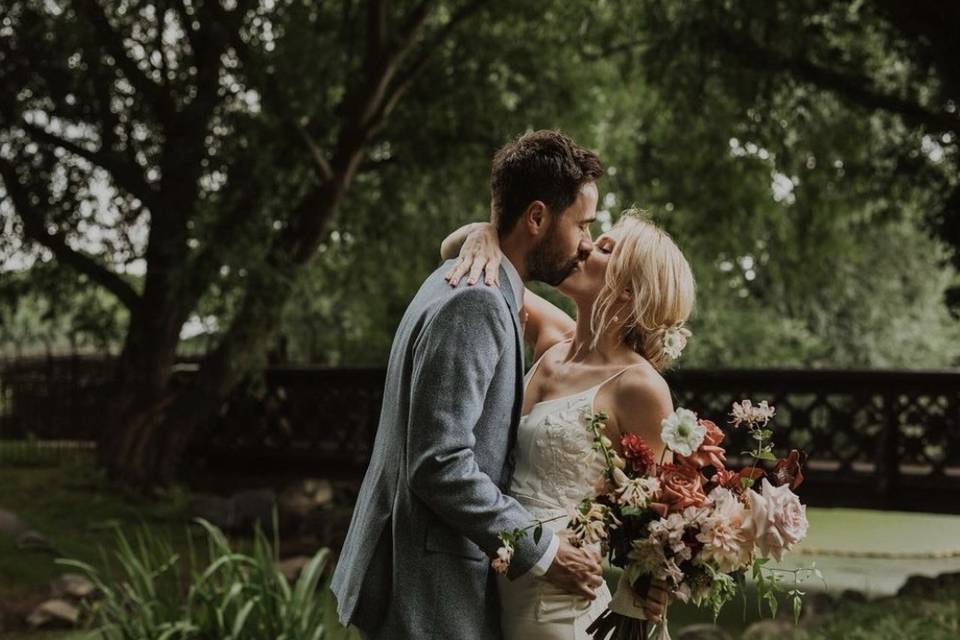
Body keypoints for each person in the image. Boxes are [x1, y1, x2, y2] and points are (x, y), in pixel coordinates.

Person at [331, 130, 606, 640]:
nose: (586, 243)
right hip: (427, 587)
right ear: (538, 217)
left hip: (425, 577)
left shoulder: (467, 277)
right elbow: (439, 463)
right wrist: (542, 550)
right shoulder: (476, 301)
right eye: (582, 225)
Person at [441, 208, 695, 638]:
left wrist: (650, 592)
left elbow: (658, 519)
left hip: (559, 601)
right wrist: (487, 235)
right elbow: (450, 252)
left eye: (604, 248)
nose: (584, 245)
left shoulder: (639, 386)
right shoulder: (552, 338)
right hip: (498, 578)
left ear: (632, 289)